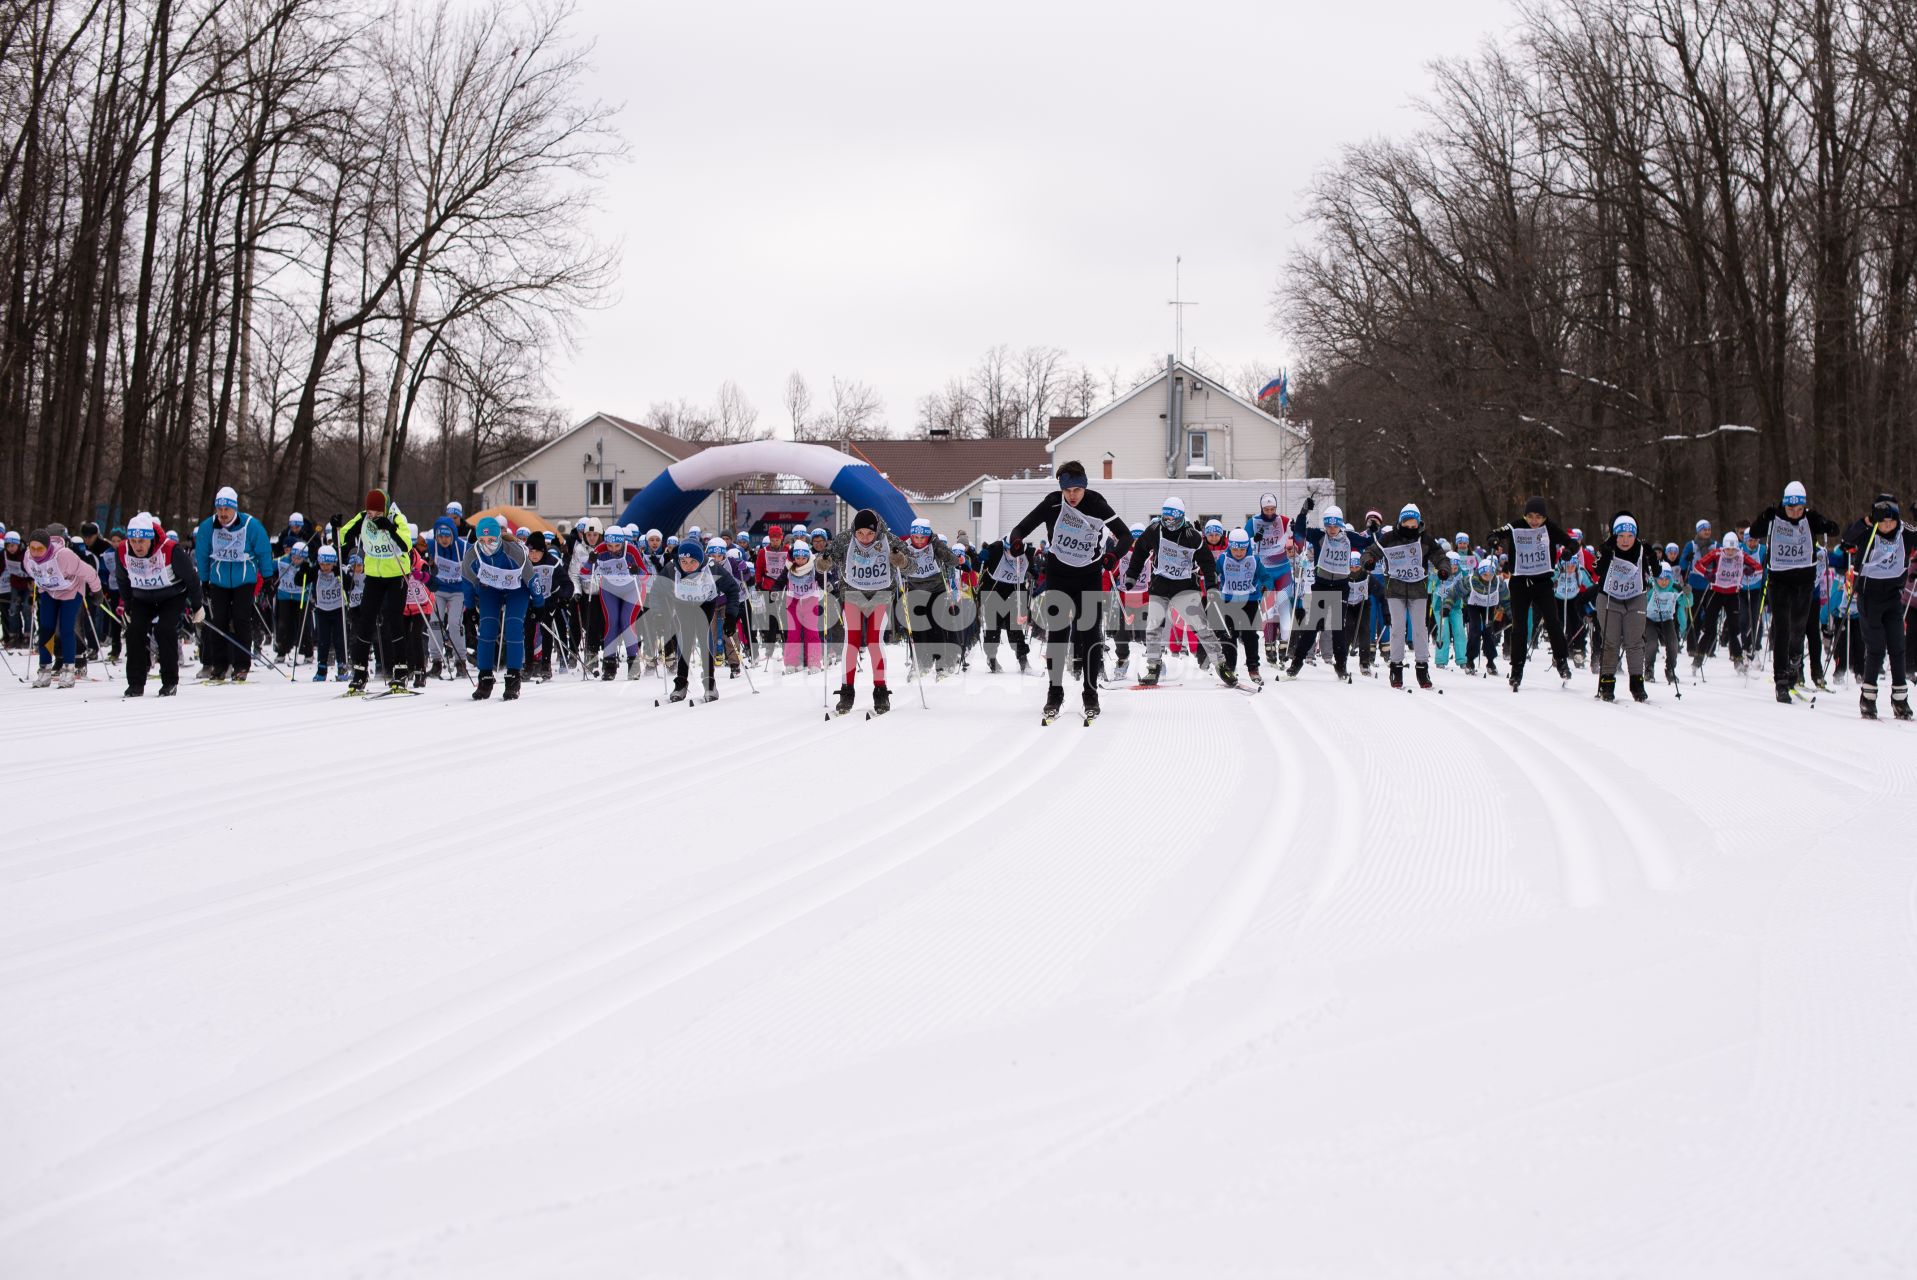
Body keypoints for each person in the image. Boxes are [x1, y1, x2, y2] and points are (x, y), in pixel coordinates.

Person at [1007, 461, 1134, 721]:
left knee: (1089, 635)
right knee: (1058, 635)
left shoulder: (1097, 504)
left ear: (1085, 486)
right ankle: (1055, 693)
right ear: (1061, 488)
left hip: (1088, 576)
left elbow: (1125, 536)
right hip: (1059, 575)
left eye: (1077, 489)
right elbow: (1020, 528)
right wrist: (1017, 542)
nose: (1073, 495)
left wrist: (1113, 556)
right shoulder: (1053, 503)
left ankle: (1091, 693)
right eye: (1068, 490)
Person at [1749, 481, 1841, 700]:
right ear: (1784, 504)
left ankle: (1794, 666)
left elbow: (1833, 528)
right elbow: (1754, 531)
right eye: (1791, 509)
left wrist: (1827, 525)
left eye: (1799, 509)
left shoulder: (1809, 518)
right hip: (1779, 580)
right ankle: (1781, 680)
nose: (1794, 513)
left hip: (1804, 581)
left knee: (1798, 628)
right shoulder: (1775, 516)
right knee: (1782, 628)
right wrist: (1765, 516)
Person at [1121, 496, 1221, 687]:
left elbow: (1207, 562)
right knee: (1153, 628)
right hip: (1160, 584)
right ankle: (1153, 666)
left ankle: (1221, 664)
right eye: (1165, 518)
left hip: (1185, 587)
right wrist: (1132, 576)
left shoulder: (1193, 536)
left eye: (1172, 519)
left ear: (1181, 517)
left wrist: (1211, 586)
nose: (1168, 523)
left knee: (1202, 627)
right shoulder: (1155, 529)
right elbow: (1141, 550)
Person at [821, 510, 907, 715]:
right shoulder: (844, 539)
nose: (865, 538)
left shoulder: (890, 540)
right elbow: (825, 559)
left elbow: (909, 564)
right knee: (851, 640)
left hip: (880, 595)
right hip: (853, 594)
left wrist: (901, 560)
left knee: (874, 641)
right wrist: (822, 563)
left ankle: (881, 691)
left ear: (876, 530)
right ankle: (846, 691)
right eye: (860, 534)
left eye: (869, 534)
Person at [1838, 496, 1911, 720]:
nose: (1887, 526)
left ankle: (1900, 699)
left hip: (1892, 597)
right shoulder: (1869, 533)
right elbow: (1846, 540)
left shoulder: (1904, 532)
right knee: (1877, 646)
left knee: (1898, 646)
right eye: (1883, 522)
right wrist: (1867, 521)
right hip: (1869, 598)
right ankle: (1868, 698)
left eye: (1891, 522)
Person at [192, 485, 275, 683]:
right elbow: (202, 554)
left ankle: (241, 665)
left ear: (234, 509)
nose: (222, 513)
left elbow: (263, 550)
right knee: (218, 621)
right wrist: (204, 579)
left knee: (240, 620)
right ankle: (219, 665)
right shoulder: (207, 527)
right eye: (219, 509)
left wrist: (268, 576)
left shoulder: (250, 525)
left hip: (244, 580)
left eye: (226, 509)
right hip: (218, 580)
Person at [1494, 496, 1577, 690]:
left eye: (1538, 517)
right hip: (1520, 583)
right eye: (1530, 516)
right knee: (1519, 627)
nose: (1534, 521)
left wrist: (1568, 551)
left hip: (1543, 583)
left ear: (1544, 518)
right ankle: (1517, 669)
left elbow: (1572, 543)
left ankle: (1561, 661)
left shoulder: (1549, 528)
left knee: (1553, 622)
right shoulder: (1516, 526)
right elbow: (1498, 532)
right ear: (1525, 515)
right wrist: (1494, 538)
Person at [335, 488, 415, 692]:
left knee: (394, 619)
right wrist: (336, 528)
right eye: (370, 513)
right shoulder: (363, 518)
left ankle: (400, 670)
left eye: (377, 514)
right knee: (366, 619)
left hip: (396, 574)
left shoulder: (397, 518)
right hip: (373, 576)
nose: (373, 517)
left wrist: (389, 527)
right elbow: (343, 535)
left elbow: (406, 545)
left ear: (385, 510)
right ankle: (360, 672)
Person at [118, 513, 202, 697]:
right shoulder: (123, 550)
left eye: (142, 541)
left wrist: (198, 606)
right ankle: (135, 683)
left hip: (171, 596)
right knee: (134, 631)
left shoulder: (170, 549)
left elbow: (191, 578)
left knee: (164, 630)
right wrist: (128, 605)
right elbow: (123, 579)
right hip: (142, 597)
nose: (137, 546)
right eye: (133, 541)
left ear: (150, 538)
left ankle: (170, 681)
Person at [657, 530, 743, 702]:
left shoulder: (712, 568)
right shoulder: (672, 568)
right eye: (684, 561)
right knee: (685, 638)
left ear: (700, 560)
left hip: (706, 602)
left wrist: (731, 616)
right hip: (683, 603)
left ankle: (709, 683)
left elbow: (733, 589)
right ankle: (681, 683)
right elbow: (658, 589)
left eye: (692, 562)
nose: (688, 566)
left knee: (704, 638)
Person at [1286, 497, 1364, 681]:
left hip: (1340, 588)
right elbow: (1299, 532)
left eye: (1335, 526)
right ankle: (1296, 663)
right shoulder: (1319, 535)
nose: (1331, 529)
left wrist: (1375, 533)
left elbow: (1369, 542)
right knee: (1314, 625)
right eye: (1328, 526)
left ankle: (1341, 665)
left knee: (1338, 627)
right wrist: (1303, 513)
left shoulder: (1349, 538)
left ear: (1341, 525)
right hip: (1321, 585)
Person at [21, 527, 102, 686]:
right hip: (50, 592)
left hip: (71, 591)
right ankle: (44, 671)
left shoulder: (63, 556)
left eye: (40, 549)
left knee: (66, 628)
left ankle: (68, 670)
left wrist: (97, 590)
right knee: (46, 628)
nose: (36, 552)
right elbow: (35, 574)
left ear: (47, 547)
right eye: (33, 548)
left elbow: (88, 572)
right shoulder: (27, 557)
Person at [461, 516, 528, 700]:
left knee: (513, 628)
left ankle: (513, 678)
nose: (486, 545)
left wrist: (539, 604)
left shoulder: (513, 550)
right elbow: (467, 581)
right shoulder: (472, 553)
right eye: (482, 541)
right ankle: (485, 679)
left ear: (499, 538)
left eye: (491, 540)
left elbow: (531, 577)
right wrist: (470, 608)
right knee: (487, 630)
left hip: (517, 589)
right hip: (491, 589)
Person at [1591, 513, 1656, 702]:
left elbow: (1656, 572)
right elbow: (1596, 569)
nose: (1625, 540)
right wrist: (1604, 552)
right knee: (1611, 642)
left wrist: (1652, 558)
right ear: (1614, 535)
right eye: (1621, 536)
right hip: (1610, 598)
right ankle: (1607, 683)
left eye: (1630, 536)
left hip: (1635, 597)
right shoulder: (1608, 548)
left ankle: (1637, 685)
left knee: (1635, 642)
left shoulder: (1642, 550)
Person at [1687, 532, 1763, 674]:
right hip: (1716, 593)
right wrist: (1707, 573)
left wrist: (1749, 570)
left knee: (1735, 630)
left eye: (1733, 550)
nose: (1730, 553)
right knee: (1709, 629)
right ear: (1724, 547)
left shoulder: (1741, 555)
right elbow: (1697, 565)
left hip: (1733, 595)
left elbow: (1759, 569)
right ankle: (1697, 659)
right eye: (1728, 549)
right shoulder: (1717, 553)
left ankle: (1738, 660)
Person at [897, 517, 959, 678]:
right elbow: (895, 565)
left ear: (928, 536)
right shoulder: (906, 546)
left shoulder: (935, 544)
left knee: (936, 628)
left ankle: (940, 664)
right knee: (917, 629)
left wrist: (942, 551)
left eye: (922, 538)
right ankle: (920, 663)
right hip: (915, 590)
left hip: (936, 590)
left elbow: (953, 560)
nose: (919, 541)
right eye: (916, 537)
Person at [583, 525, 645, 679]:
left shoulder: (631, 550)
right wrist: (590, 563)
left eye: (617, 546)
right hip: (610, 589)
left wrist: (637, 570)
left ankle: (633, 664)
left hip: (632, 589)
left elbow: (645, 576)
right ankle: (609, 665)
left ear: (623, 543)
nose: (613, 549)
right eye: (610, 545)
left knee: (626, 622)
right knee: (612, 622)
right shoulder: (600, 549)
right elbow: (584, 574)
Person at [1211, 527, 1272, 684]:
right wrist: (1210, 583)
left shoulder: (1254, 560)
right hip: (1228, 601)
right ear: (1230, 546)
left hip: (1250, 601)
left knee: (1250, 635)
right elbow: (1213, 573)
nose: (1239, 553)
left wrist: (1267, 584)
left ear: (1247, 547)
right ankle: (1230, 667)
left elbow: (1265, 576)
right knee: (1229, 635)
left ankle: (1253, 667)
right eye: (1235, 549)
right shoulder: (1223, 559)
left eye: (1242, 549)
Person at [977, 534, 1033, 674]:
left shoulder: (1026, 552)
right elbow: (977, 566)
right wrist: (980, 558)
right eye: (1009, 552)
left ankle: (1023, 660)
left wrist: (1036, 573)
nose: (1012, 556)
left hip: (1012, 595)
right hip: (993, 594)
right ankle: (991, 659)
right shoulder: (995, 549)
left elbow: (1035, 569)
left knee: (1015, 630)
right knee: (992, 630)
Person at [425, 516, 471, 679]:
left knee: (454, 623)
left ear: (453, 535)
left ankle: (460, 661)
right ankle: (436, 660)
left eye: (447, 536)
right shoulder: (432, 546)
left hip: (458, 591)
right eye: (441, 536)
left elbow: (478, 555)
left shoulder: (463, 546)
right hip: (438, 590)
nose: (444, 540)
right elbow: (415, 548)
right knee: (435, 623)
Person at [782, 539, 827, 669]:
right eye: (797, 558)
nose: (800, 561)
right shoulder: (790, 566)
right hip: (793, 602)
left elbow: (821, 578)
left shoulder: (813, 565)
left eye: (803, 558)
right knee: (793, 633)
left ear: (808, 557)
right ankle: (792, 662)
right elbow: (780, 580)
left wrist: (827, 585)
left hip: (810, 601)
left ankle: (813, 662)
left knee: (811, 632)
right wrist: (775, 590)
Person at [310, 545, 350, 681]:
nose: (325, 567)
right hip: (322, 610)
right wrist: (304, 570)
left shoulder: (338, 571)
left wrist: (341, 574)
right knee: (323, 641)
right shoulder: (316, 572)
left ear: (334, 562)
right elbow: (299, 580)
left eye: (329, 564)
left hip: (338, 609)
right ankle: (322, 669)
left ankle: (342, 667)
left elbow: (351, 585)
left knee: (340, 640)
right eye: (322, 564)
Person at [1645, 564, 1688, 687]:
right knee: (1652, 643)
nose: (1663, 582)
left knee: (1673, 643)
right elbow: (1641, 602)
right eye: (1661, 578)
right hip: (1650, 620)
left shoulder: (1674, 588)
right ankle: (1649, 669)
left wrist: (1687, 594)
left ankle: (1670, 669)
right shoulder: (1650, 587)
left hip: (1667, 619)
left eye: (1667, 579)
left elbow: (1685, 603)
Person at [270, 542, 315, 662]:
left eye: (299, 558)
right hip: (284, 596)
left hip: (301, 597)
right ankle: (281, 652)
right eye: (294, 557)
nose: (296, 560)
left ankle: (308, 653)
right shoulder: (282, 560)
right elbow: (269, 565)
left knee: (303, 625)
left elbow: (314, 577)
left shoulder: (308, 564)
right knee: (283, 625)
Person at [1463, 556, 1506, 675]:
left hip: (1488, 606)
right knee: (1475, 629)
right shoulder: (1471, 580)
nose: (1488, 578)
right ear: (1480, 573)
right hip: (1474, 606)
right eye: (1485, 575)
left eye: (1490, 575)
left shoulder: (1498, 582)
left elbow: (1506, 598)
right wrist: (1447, 605)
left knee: (1488, 631)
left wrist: (1511, 613)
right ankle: (1470, 660)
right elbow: (1455, 590)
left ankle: (1490, 661)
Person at [1429, 552, 1469, 670]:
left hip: (1455, 607)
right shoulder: (1439, 573)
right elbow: (1430, 586)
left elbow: (1467, 586)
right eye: (1451, 565)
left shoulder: (1462, 573)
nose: (1453, 568)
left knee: (1459, 632)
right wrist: (1437, 589)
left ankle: (1463, 659)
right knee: (1443, 632)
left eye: (1456, 566)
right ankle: (1441, 659)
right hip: (1439, 607)